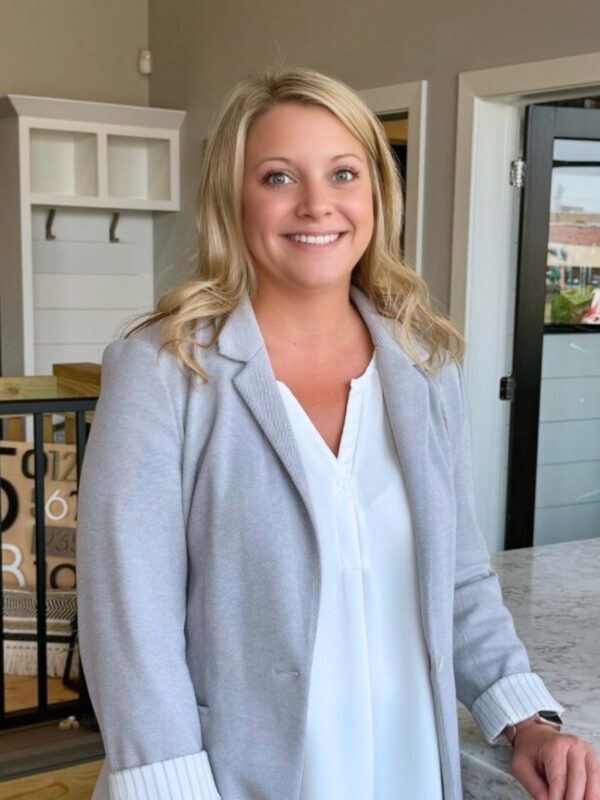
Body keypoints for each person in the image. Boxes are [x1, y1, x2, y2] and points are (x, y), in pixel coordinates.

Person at [76, 65, 600, 800]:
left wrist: (526, 718)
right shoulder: (162, 372)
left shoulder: (426, 366)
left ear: (376, 195)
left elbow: (459, 578)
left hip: (409, 762)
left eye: (344, 172)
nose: (318, 204)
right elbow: (130, 619)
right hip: (232, 774)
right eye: (279, 177)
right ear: (233, 197)